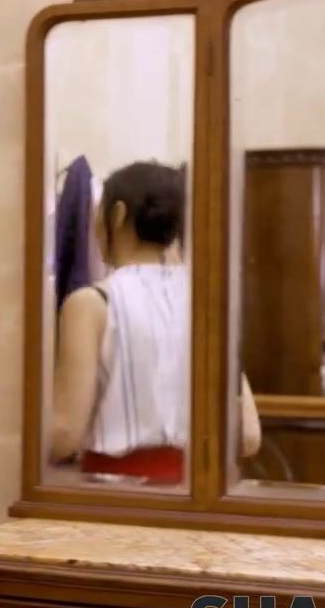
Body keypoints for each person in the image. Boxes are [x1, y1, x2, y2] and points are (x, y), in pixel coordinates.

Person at [50, 161, 260, 484]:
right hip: (197, 489)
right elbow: (248, 436)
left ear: (117, 214)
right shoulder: (208, 302)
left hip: (113, 490)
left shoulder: (91, 304)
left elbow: (65, 434)